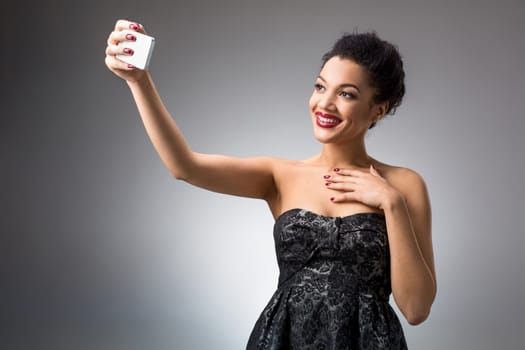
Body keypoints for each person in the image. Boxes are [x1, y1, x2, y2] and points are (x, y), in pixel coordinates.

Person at [105, 19, 436, 350]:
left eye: (346, 94)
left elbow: (416, 309)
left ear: (378, 110)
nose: (325, 104)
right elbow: (184, 166)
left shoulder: (403, 186)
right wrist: (139, 81)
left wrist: (391, 204)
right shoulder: (279, 176)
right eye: (320, 87)